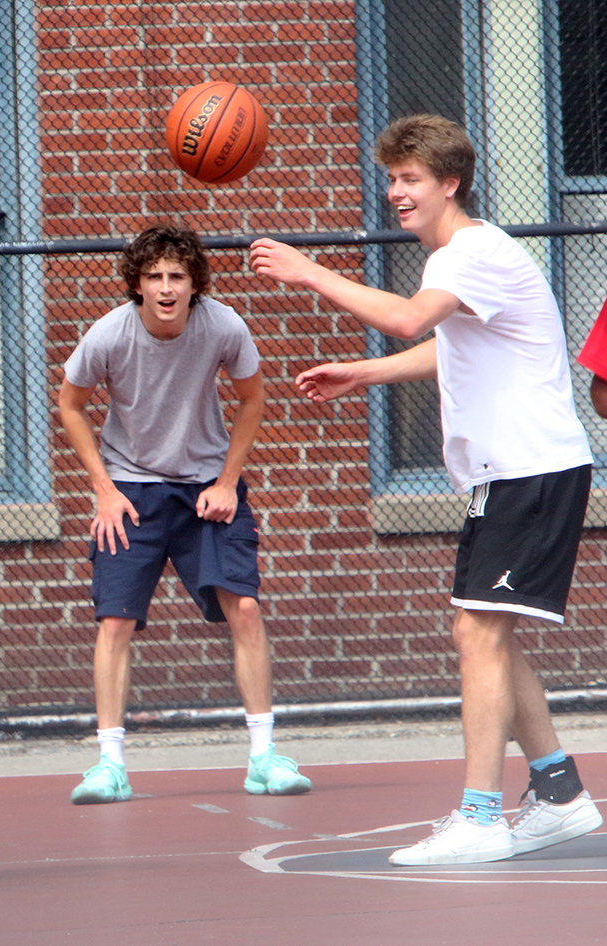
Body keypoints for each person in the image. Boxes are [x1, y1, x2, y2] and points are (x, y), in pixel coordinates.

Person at [249, 114, 602, 865]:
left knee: (479, 633)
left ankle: (479, 816)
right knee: (488, 633)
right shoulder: (470, 258)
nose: (396, 194)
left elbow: (410, 319)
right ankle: (561, 795)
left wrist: (310, 272)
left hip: (529, 469)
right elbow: (451, 344)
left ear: (450, 184)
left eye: (410, 180)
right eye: (391, 180)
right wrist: (363, 373)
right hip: (508, 472)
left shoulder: (469, 250)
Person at [58, 225, 311, 805]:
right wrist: (103, 489)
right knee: (114, 621)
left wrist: (227, 481)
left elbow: (253, 400)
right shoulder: (108, 335)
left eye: (177, 276)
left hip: (205, 490)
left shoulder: (222, 325)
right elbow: (70, 404)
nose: (166, 288)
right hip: (131, 491)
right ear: (137, 285)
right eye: (154, 277)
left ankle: (264, 757)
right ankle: (109, 766)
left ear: (195, 283)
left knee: (243, 606)